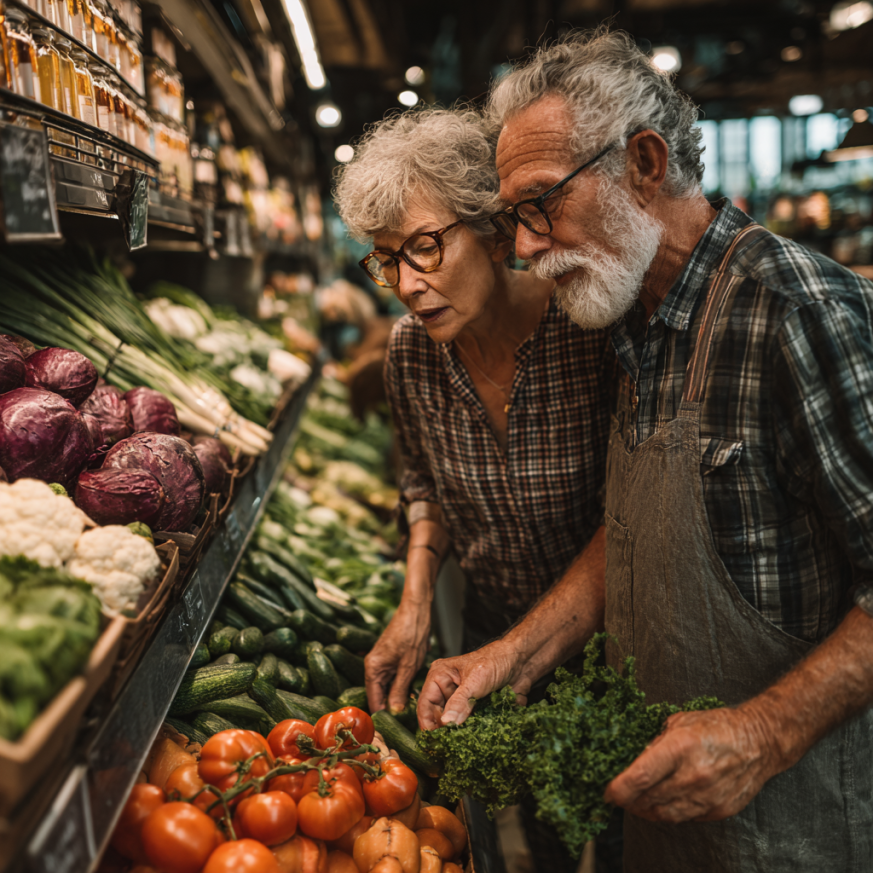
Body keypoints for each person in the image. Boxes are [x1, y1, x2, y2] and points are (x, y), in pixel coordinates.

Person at [418, 29, 873, 872]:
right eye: (513, 218)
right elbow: (638, 533)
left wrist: (763, 733)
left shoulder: (795, 311)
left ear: (644, 162)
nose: (522, 246)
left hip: (798, 826)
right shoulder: (628, 317)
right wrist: (513, 651)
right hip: (666, 824)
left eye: (539, 203)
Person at [333, 107, 613, 871]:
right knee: (539, 833)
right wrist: (415, 599)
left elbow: (634, 514)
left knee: (624, 832)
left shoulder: (589, 333)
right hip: (494, 638)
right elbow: (421, 480)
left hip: (615, 644)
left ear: (492, 231)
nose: (407, 285)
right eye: (385, 260)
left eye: (425, 247)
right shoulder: (409, 356)